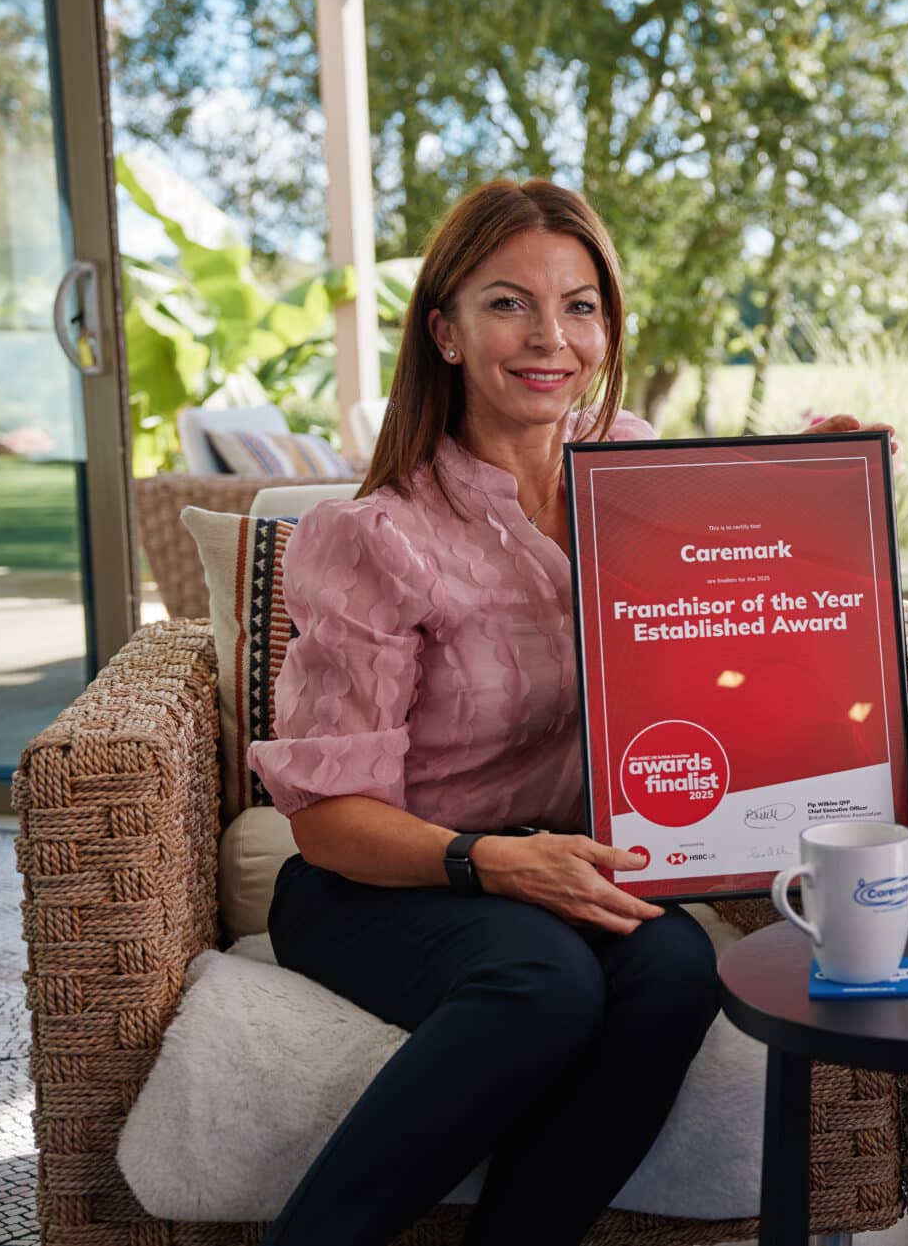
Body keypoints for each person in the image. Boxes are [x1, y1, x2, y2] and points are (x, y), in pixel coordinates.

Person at [248, 179, 719, 1246]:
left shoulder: (639, 470)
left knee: (678, 966)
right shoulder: (375, 535)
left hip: (560, 863)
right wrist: (494, 864)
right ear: (446, 332)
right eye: (509, 303)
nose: (552, 337)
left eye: (582, 305)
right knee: (545, 982)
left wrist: (832, 459)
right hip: (382, 876)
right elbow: (328, 819)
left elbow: (769, 577)